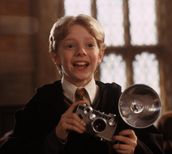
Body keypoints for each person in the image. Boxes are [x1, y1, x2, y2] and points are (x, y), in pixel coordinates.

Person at [0, 14, 163, 154]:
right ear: (55, 56)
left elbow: (157, 148)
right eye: (70, 45)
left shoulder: (119, 101)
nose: (81, 52)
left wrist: (136, 149)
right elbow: (12, 149)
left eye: (90, 45)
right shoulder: (42, 103)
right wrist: (55, 138)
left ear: (100, 54)